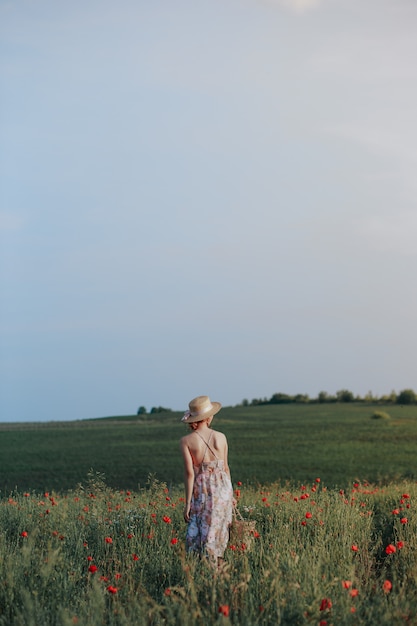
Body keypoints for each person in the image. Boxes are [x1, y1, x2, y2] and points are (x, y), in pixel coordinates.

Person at [180, 395, 234, 565]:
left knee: (201, 531)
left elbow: (190, 473)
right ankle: (217, 567)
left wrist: (187, 503)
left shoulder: (186, 441)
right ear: (209, 417)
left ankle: (206, 570)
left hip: (202, 490)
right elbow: (225, 468)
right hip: (223, 489)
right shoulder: (221, 437)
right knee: (218, 530)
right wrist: (231, 495)